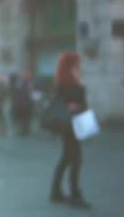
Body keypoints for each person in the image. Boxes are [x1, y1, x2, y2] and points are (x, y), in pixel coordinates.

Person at [50, 52, 91, 208]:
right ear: (69, 65)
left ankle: (56, 192)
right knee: (75, 159)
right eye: (76, 63)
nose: (79, 66)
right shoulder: (62, 83)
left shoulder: (76, 81)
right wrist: (70, 106)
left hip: (78, 124)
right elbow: (59, 104)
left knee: (67, 159)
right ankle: (74, 194)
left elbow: (83, 103)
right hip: (69, 127)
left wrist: (80, 83)